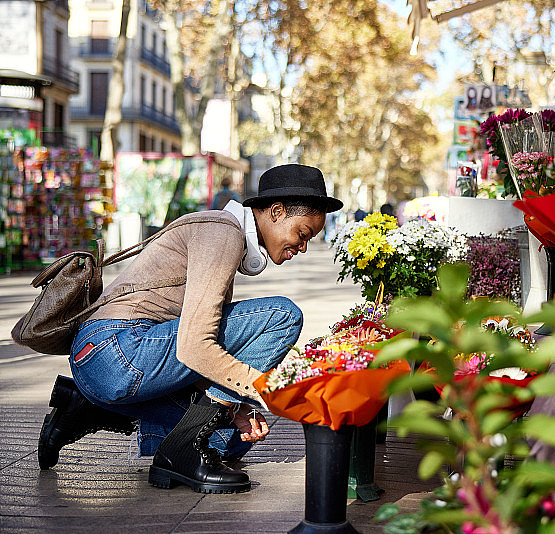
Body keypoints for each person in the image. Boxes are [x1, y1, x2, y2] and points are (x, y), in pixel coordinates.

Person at [37, 164, 342, 494]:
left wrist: (236, 409)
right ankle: (178, 455)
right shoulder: (222, 231)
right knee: (282, 316)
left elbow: (189, 356)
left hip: (102, 367)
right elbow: (194, 346)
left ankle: (83, 407)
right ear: (277, 211)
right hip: (117, 351)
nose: (304, 246)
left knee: (229, 440)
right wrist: (263, 389)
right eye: (302, 234)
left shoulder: (225, 235)